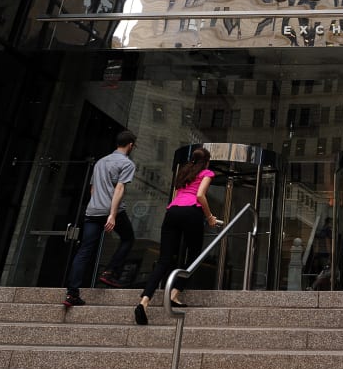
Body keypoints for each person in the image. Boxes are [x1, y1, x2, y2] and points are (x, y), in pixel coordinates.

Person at [134, 146, 223, 325]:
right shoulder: (207, 173)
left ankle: (144, 302)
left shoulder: (183, 173)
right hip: (191, 212)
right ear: (207, 162)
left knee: (164, 260)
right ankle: (174, 293)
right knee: (194, 256)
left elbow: (176, 196)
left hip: (172, 212)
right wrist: (210, 217)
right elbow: (200, 195)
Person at [63, 130, 138, 307]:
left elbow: (92, 189)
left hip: (92, 210)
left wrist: (97, 205)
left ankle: (72, 294)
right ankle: (110, 272)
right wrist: (112, 214)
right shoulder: (127, 164)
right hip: (112, 210)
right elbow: (119, 189)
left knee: (84, 251)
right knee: (128, 239)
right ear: (130, 145)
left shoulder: (100, 162)